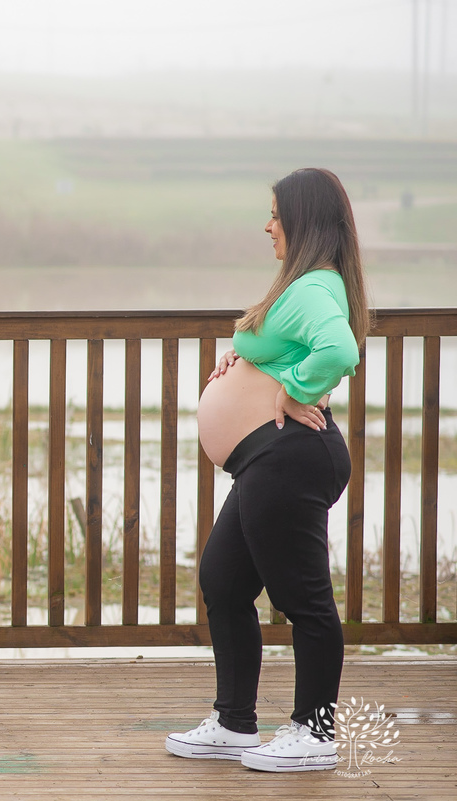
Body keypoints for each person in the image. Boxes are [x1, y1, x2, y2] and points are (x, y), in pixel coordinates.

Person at [166, 168, 371, 772]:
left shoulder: (311, 287)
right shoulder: (308, 284)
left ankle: (315, 733)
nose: (268, 226)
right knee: (224, 581)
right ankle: (235, 723)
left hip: (289, 459)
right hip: (269, 460)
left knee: (303, 598)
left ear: (302, 221)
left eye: (277, 215)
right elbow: (293, 345)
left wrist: (294, 389)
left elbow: (339, 350)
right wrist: (246, 355)